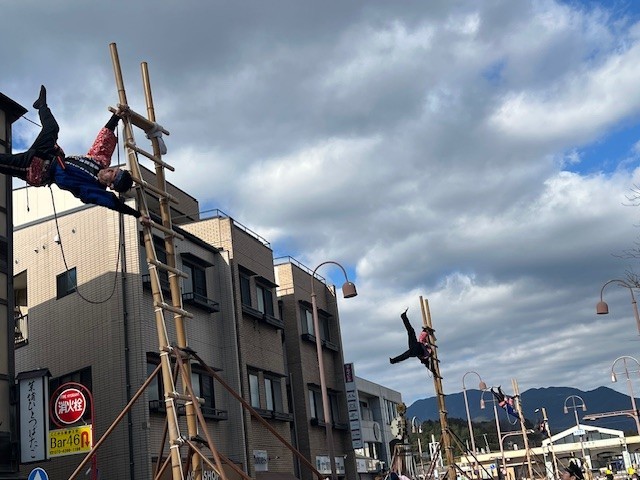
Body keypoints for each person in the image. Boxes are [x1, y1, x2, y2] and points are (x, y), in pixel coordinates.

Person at [0, 86, 150, 225]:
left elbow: (112, 202)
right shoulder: (99, 161)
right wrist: (116, 117)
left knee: (4, 161)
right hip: (48, 153)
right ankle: (41, 105)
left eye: (112, 174)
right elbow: (104, 140)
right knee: (52, 128)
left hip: (36, 169)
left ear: (110, 185)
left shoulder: (92, 189)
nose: (110, 169)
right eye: (114, 169)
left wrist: (137, 215)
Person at [389, 309, 439, 377]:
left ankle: (403, 316)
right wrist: (434, 372)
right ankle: (403, 316)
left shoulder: (424, 354)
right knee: (410, 332)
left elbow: (427, 364)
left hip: (415, 348)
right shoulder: (424, 355)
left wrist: (434, 372)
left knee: (411, 332)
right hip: (414, 350)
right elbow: (427, 364)